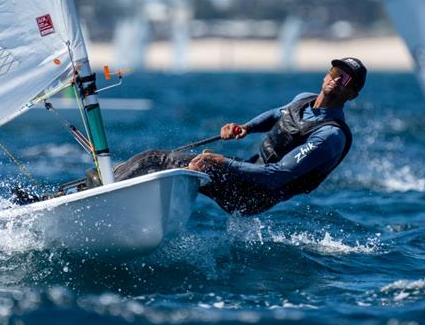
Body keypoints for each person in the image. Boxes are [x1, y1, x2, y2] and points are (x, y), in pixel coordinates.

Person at [113, 57, 366, 216]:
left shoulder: (330, 135)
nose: (337, 79)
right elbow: (277, 115)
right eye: (335, 72)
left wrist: (221, 162)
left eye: (346, 80)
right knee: (156, 162)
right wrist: (245, 127)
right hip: (246, 172)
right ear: (326, 75)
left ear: (352, 94)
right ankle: (111, 191)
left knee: (158, 160)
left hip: (255, 194)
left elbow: (276, 175)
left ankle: (108, 197)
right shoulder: (303, 100)